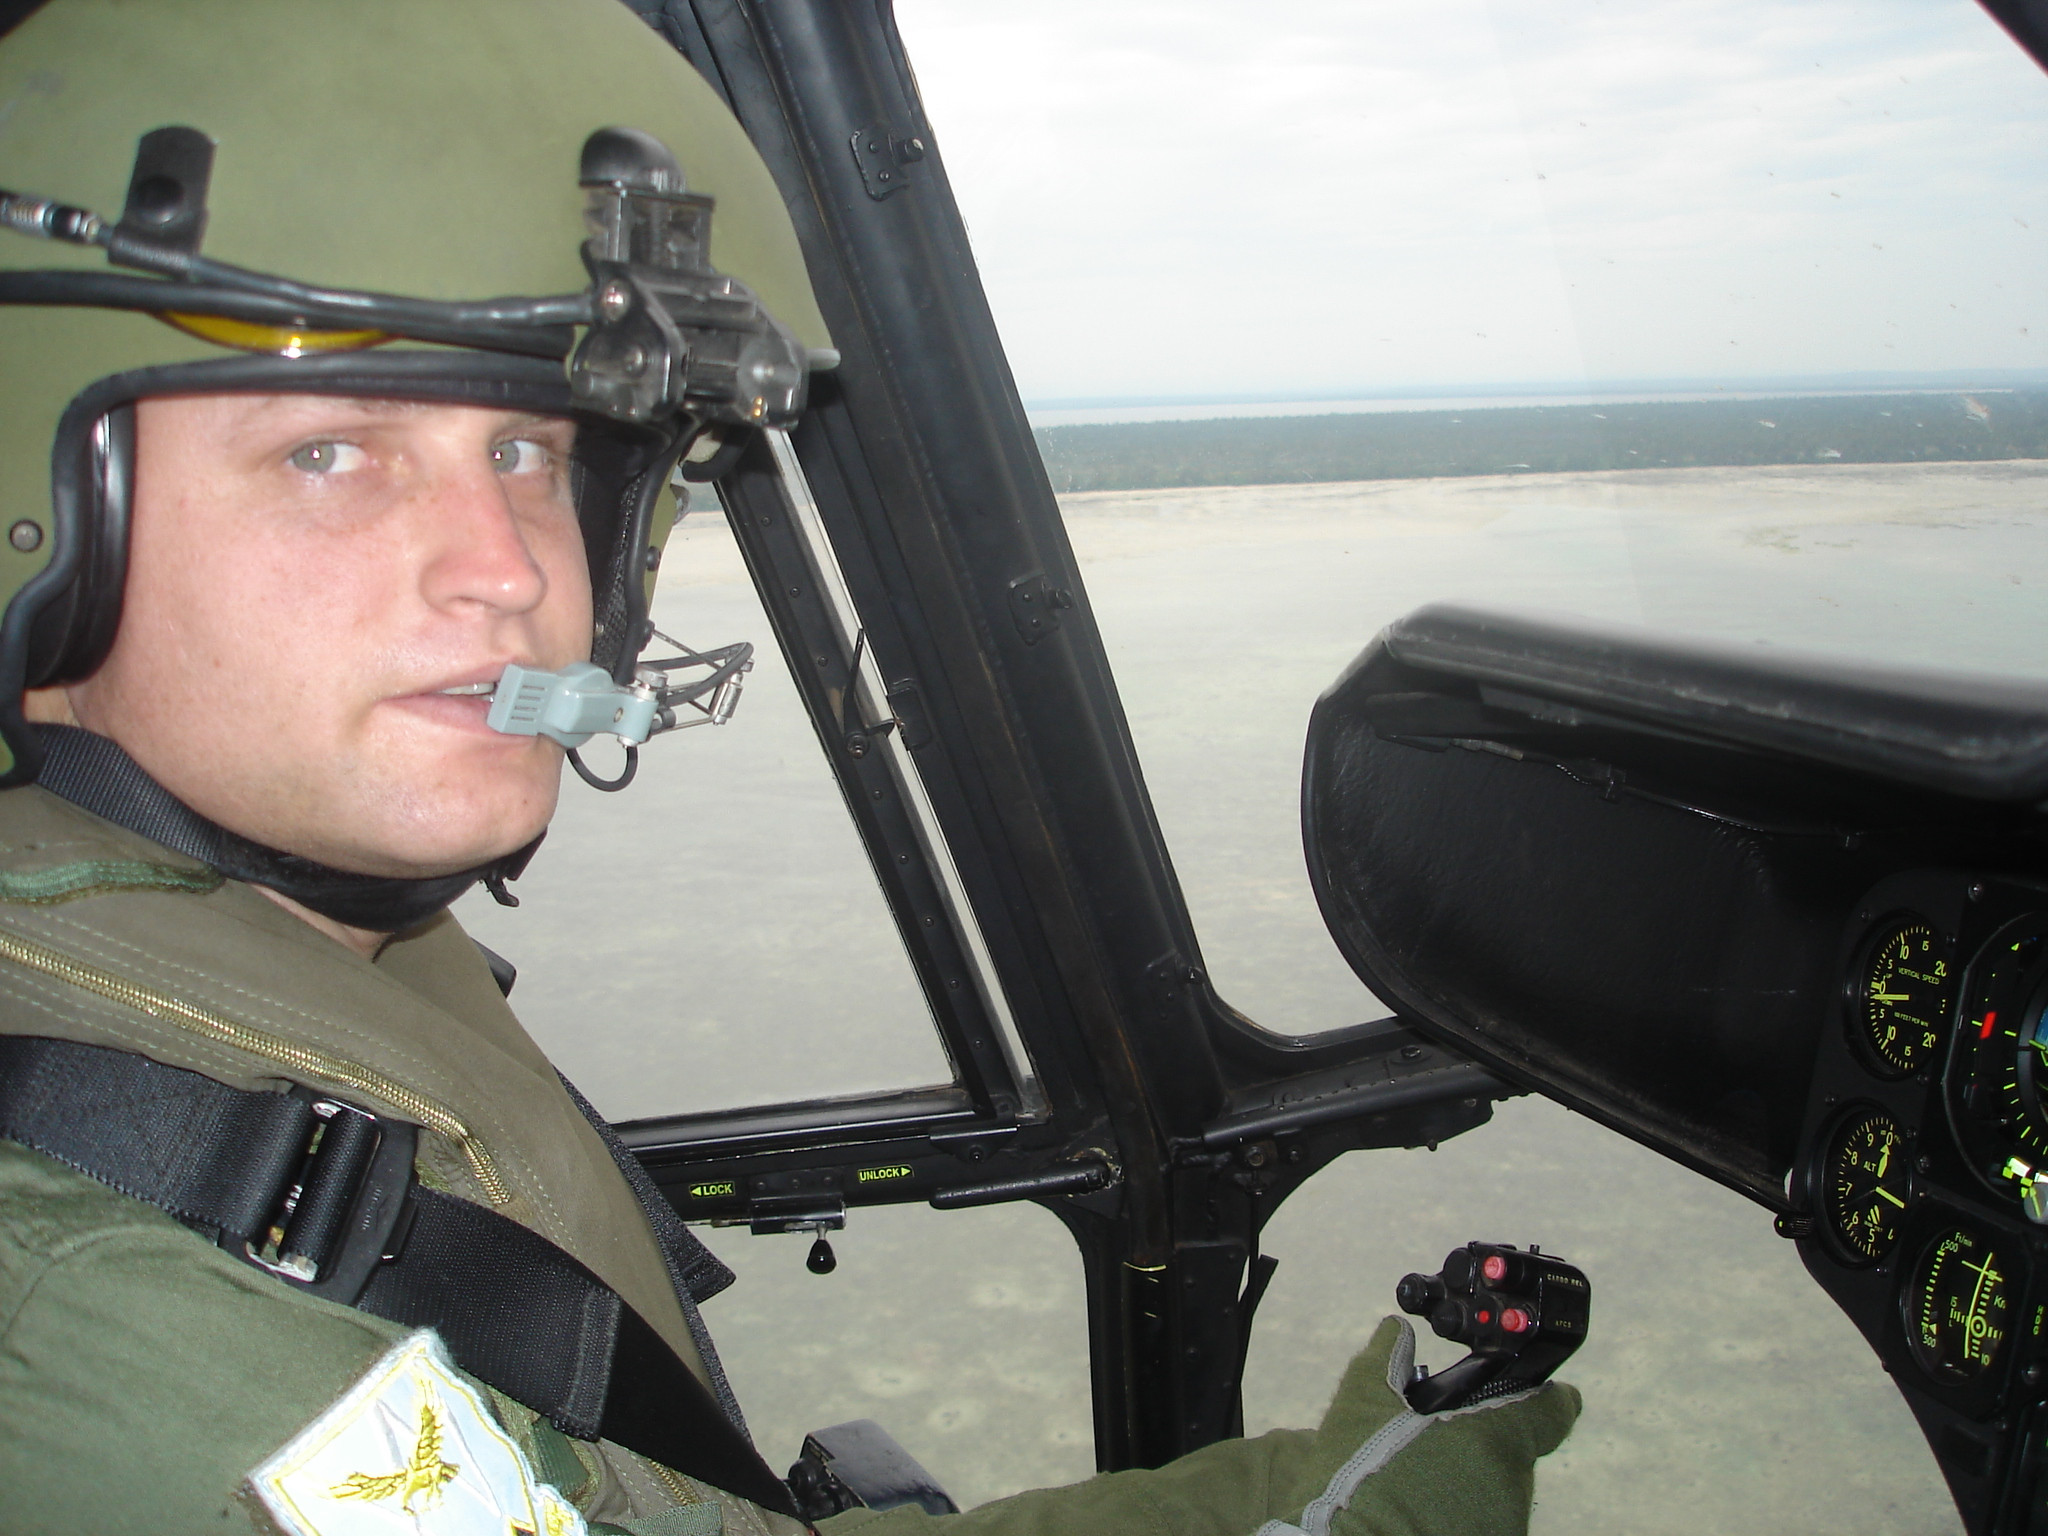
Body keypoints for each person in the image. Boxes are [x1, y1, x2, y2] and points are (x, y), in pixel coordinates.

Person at [0, 3, 1579, 1533]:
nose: (508, 567)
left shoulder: (296, 961)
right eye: (328, 454)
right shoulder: (148, 1342)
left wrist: (1360, 1474)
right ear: (50, 525)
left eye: (527, 453)